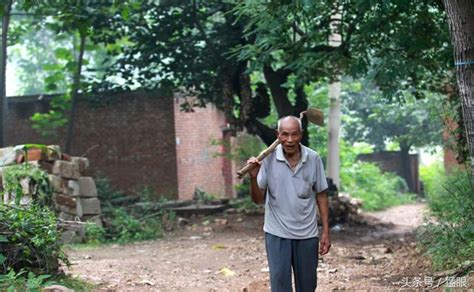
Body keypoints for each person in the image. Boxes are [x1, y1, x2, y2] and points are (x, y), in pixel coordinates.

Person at [247, 115, 331, 292]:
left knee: (307, 286)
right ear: (278, 135)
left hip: (307, 234)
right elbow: (257, 200)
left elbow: (321, 195)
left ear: (301, 134)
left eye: (294, 134)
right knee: (279, 285)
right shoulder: (267, 159)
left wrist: (325, 232)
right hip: (277, 233)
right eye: (285, 134)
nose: (290, 140)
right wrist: (253, 179)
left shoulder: (313, 158)